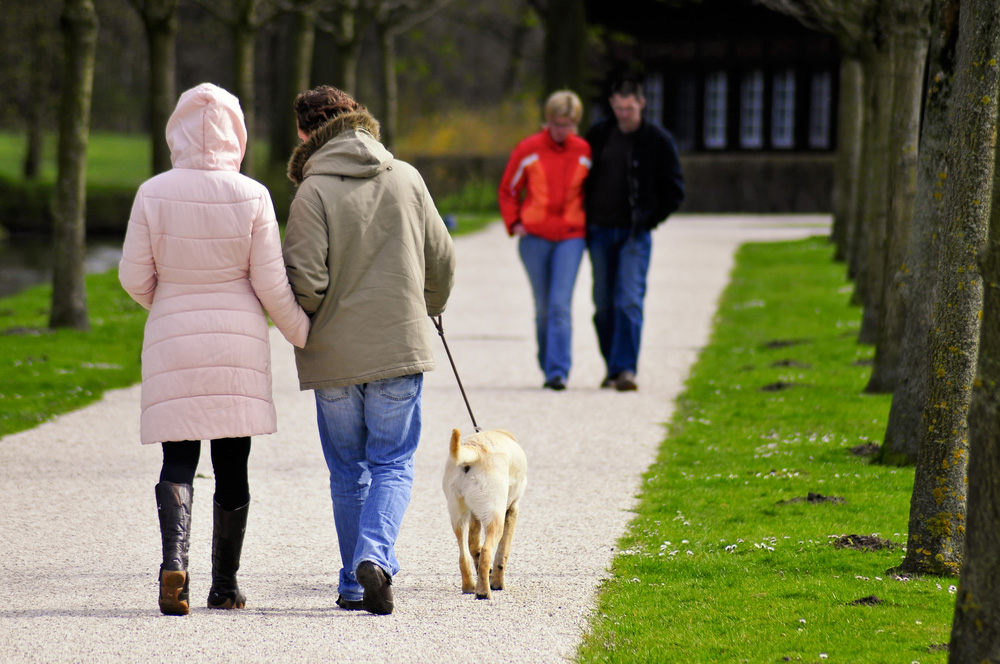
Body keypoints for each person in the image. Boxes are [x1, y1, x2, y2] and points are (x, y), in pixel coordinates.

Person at [119, 83, 311, 616]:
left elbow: (132, 275)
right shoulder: (253, 195)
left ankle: (173, 564)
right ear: (237, 134)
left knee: (178, 457)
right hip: (237, 342)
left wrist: (168, 303)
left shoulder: (152, 193)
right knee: (232, 462)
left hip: (173, 336)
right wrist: (302, 333)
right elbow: (271, 284)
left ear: (176, 130)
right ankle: (225, 585)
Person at [282, 86, 455, 615]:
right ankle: (375, 558)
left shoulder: (311, 192)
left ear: (304, 134)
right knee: (393, 462)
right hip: (398, 343)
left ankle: (355, 583)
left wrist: (314, 320)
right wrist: (427, 306)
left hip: (334, 353)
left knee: (347, 470)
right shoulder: (406, 177)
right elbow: (442, 260)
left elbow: (305, 280)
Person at [584, 78, 685, 392]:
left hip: (634, 234)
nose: (623, 114)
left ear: (641, 103)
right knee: (603, 306)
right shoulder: (598, 135)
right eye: (618, 108)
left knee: (628, 301)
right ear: (611, 104)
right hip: (599, 232)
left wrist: (649, 219)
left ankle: (625, 369)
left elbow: (675, 191)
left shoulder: (658, 140)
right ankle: (613, 367)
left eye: (629, 108)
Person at [498, 90, 591, 391]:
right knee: (544, 307)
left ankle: (558, 371)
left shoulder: (584, 151)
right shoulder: (529, 149)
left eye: (569, 124)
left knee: (560, 304)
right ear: (548, 120)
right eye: (558, 124)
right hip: (535, 238)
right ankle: (547, 362)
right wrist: (515, 222)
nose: (563, 130)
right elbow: (508, 190)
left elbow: (594, 191)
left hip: (571, 237)